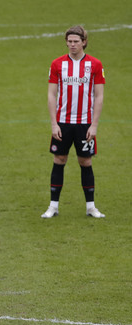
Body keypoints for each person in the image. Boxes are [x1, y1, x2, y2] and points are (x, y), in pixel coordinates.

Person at [42, 25, 105, 218]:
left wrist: (94, 125)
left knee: (85, 161)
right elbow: (51, 95)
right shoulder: (57, 64)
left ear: (84, 42)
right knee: (59, 160)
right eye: (69, 41)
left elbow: (99, 96)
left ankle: (90, 207)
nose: (72, 45)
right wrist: (54, 123)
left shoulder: (95, 65)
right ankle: (53, 206)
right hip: (62, 122)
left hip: (85, 123)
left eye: (76, 41)